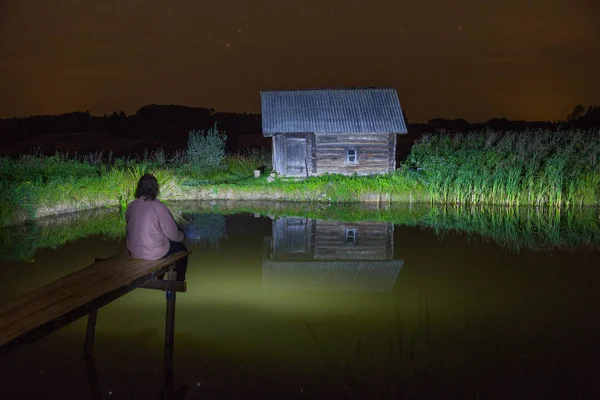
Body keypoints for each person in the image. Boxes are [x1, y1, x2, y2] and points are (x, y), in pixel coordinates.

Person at [125, 174, 188, 280]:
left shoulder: (131, 206)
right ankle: (179, 279)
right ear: (155, 189)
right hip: (152, 253)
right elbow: (172, 234)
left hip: (134, 251)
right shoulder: (158, 207)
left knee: (162, 241)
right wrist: (182, 235)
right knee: (181, 248)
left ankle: (160, 276)